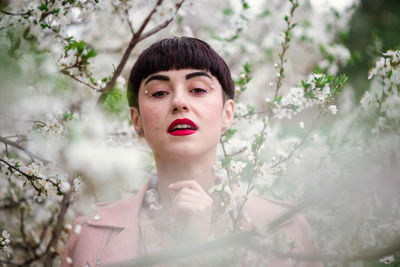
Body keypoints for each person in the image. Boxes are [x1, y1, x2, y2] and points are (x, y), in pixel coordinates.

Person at [61, 37, 321, 266]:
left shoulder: (283, 228)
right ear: (136, 119)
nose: (179, 103)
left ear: (227, 113)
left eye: (197, 90)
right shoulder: (91, 233)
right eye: (159, 92)